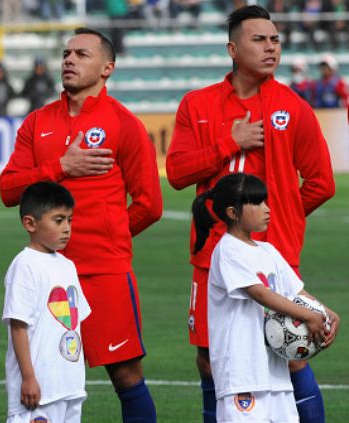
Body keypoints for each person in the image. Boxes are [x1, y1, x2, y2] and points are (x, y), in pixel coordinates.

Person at [166, 6, 338, 423]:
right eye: (259, 39)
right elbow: (176, 173)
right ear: (232, 48)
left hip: (273, 256)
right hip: (211, 257)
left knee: (292, 352)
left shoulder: (293, 107)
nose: (271, 47)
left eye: (275, 40)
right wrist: (229, 142)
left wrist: (280, 222)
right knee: (209, 359)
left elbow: (321, 182)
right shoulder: (197, 104)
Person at [0, 28, 163, 423]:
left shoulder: (124, 124)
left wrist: (111, 236)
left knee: (126, 375)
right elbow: (7, 189)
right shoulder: (37, 123)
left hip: (103, 269)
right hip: (45, 275)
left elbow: (150, 205)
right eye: (66, 52)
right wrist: (61, 167)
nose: (69, 59)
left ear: (107, 68)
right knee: (44, 380)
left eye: (82, 54)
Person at [191, 173, 338, 423]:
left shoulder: (268, 251)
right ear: (232, 212)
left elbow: (296, 291)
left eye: (266, 202)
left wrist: (327, 314)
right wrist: (307, 316)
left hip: (275, 373)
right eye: (257, 203)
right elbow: (260, 293)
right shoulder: (227, 251)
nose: (267, 209)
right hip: (241, 373)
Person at [2, 181, 91, 423]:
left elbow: (75, 323)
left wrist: (75, 370)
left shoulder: (67, 265)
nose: (67, 229)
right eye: (58, 220)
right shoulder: (25, 265)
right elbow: (18, 326)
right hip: (39, 390)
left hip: (69, 386)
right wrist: (28, 378)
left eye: (70, 220)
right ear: (30, 223)